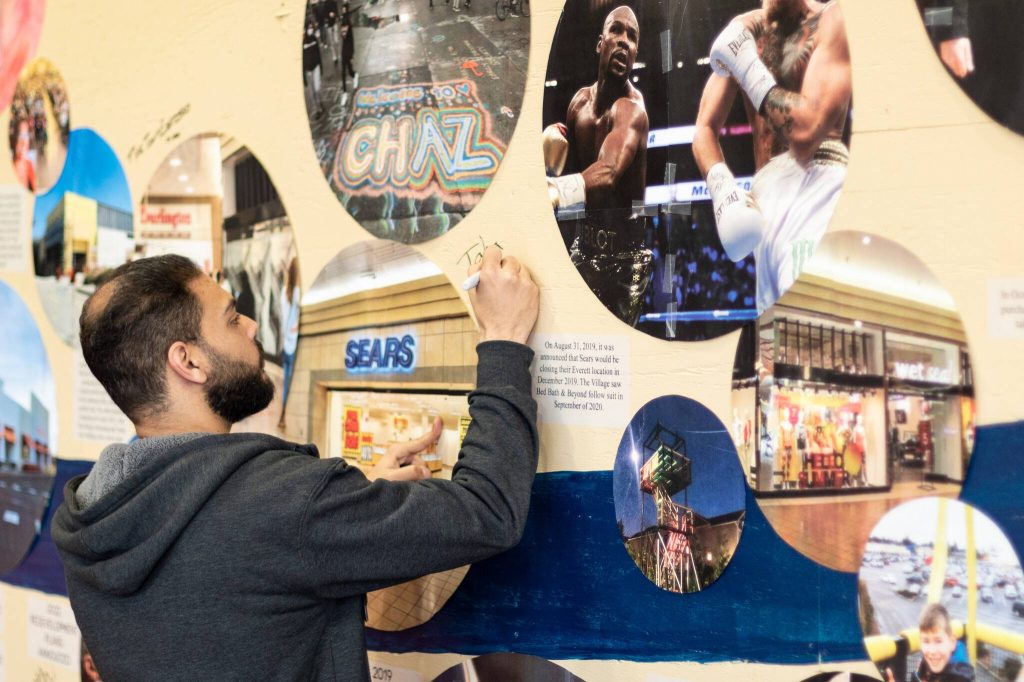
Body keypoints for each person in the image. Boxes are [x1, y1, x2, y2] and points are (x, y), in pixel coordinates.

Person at [51, 246, 540, 681]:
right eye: (230, 317)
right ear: (189, 362)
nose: (252, 326)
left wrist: (354, 501)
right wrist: (503, 342)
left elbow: (235, 598)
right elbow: (488, 510)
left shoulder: (93, 519)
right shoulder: (281, 504)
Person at [693, 0, 851, 314]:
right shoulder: (745, 30)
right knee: (777, 346)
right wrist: (723, 189)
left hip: (817, 187)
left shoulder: (831, 19)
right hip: (764, 203)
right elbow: (704, 129)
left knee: (808, 333)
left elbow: (806, 132)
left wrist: (744, 61)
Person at [542, 5, 652, 326]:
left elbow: (606, 172)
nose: (624, 42)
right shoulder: (578, 104)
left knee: (611, 347)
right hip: (585, 247)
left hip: (625, 258)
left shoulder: (633, 111)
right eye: (616, 31)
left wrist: (553, 188)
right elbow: (572, 174)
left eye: (632, 37)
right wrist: (549, 155)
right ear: (599, 43)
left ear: (635, 54)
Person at [884, 603, 975, 682]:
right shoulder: (927, 664)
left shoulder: (959, 679)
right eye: (926, 641)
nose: (932, 650)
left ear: (952, 643)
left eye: (938, 641)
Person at [303, 18, 324, 117]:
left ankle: (320, 102)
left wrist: (321, 67)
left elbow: (319, 54)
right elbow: (302, 61)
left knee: (317, 88)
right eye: (309, 28)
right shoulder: (303, 42)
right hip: (308, 71)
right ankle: (316, 109)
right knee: (311, 92)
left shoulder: (314, 39)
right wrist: (304, 77)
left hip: (316, 67)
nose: (310, 30)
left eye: (312, 28)